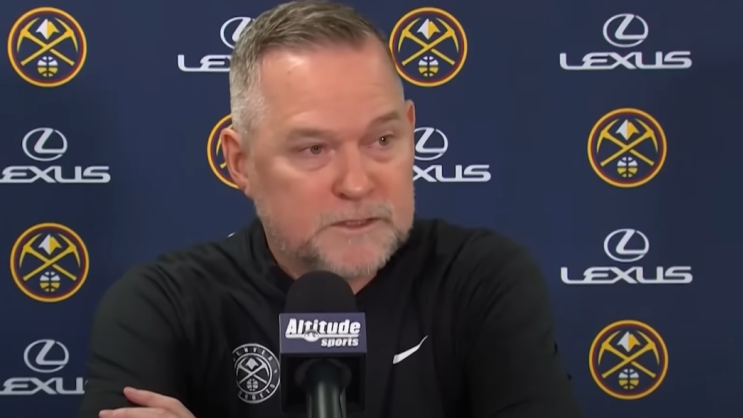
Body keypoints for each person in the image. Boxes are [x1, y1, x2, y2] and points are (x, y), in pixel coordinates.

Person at [77, 1, 582, 417]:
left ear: (410, 131)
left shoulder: (482, 280)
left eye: (382, 140)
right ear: (240, 163)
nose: (357, 183)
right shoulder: (162, 308)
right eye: (314, 149)